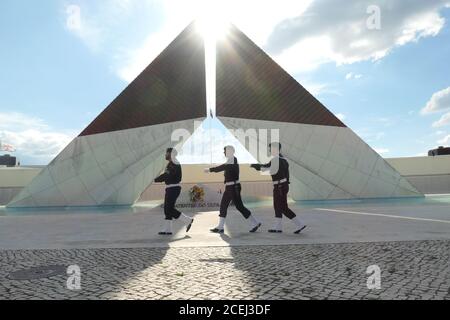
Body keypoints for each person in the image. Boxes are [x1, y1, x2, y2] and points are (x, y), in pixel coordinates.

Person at [251, 143, 307, 234]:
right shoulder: (284, 160)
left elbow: (266, 167)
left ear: (275, 149)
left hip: (279, 186)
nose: (270, 151)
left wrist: (256, 166)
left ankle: (299, 224)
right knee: (278, 206)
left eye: (271, 149)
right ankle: (278, 227)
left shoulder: (276, 159)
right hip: (283, 185)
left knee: (283, 208)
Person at [204, 146, 261, 234]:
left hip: (234, 187)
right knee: (224, 205)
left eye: (225, 151)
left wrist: (210, 169)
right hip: (230, 188)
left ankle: (255, 222)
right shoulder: (231, 160)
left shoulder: (232, 160)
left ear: (230, 151)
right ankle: (220, 227)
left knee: (239, 206)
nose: (224, 153)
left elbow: (222, 167)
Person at [154, 148, 194, 235]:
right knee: (167, 209)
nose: (165, 155)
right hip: (171, 188)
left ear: (170, 154)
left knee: (169, 209)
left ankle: (188, 220)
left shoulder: (174, 163)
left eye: (166, 153)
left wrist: (156, 179)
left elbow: (167, 175)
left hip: (173, 188)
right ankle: (168, 229)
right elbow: (167, 175)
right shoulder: (172, 163)